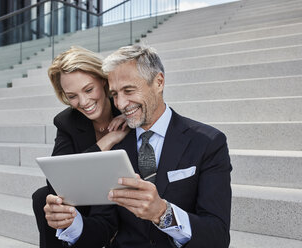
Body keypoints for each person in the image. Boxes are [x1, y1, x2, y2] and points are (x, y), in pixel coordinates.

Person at [44, 44, 232, 247]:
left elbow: (217, 237)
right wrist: (73, 224)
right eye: (115, 94)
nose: (121, 104)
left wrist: (163, 213)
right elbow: (103, 226)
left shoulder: (208, 142)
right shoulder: (114, 149)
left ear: (158, 82)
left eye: (129, 90)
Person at [32, 46, 129, 248]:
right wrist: (107, 140)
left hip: (124, 191)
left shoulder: (127, 105)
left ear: (102, 79)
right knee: (45, 197)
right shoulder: (67, 121)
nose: (83, 102)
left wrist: (129, 118)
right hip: (88, 195)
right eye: (72, 96)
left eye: (88, 89)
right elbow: (57, 182)